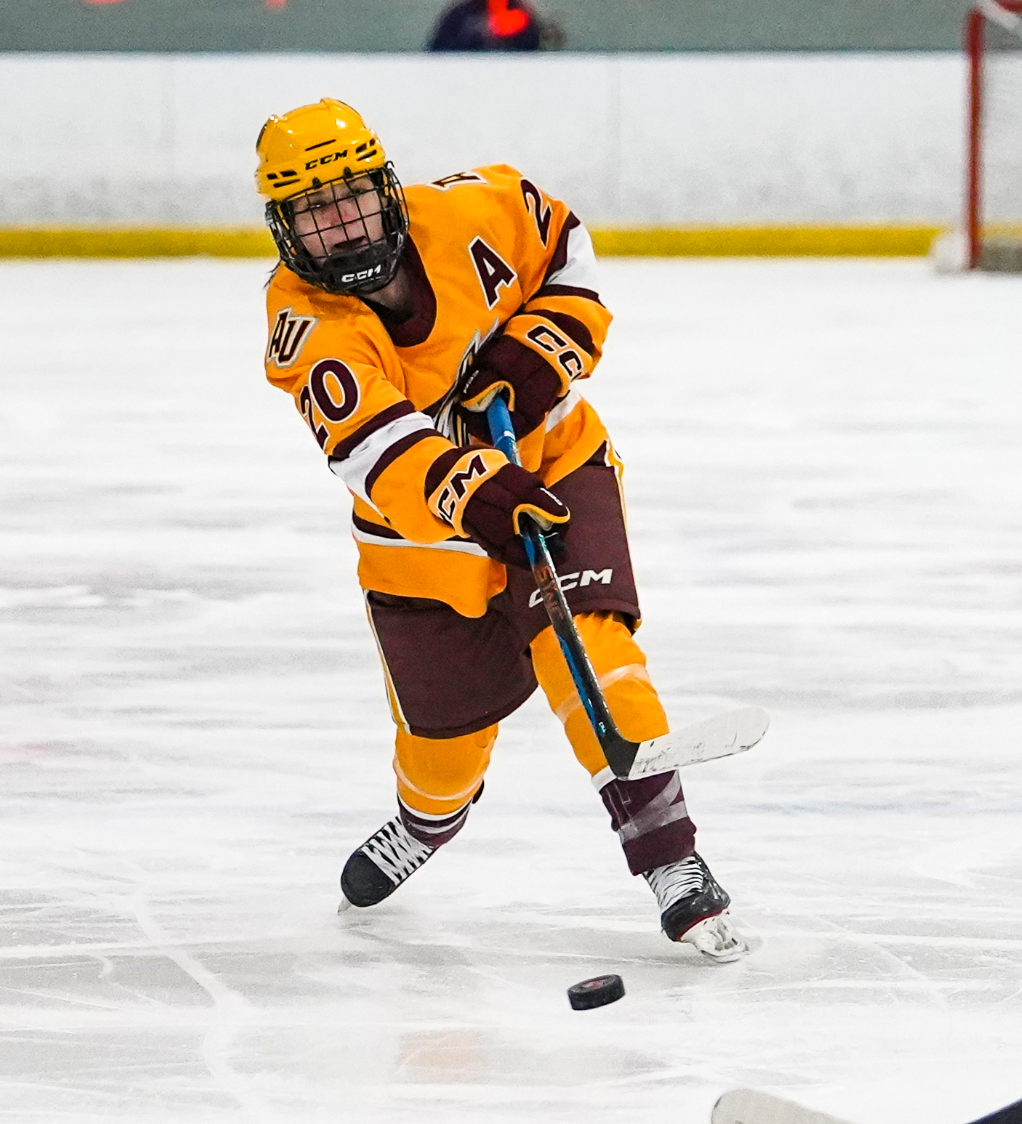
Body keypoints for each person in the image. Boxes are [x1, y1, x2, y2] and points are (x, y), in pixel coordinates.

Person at [254, 98, 747, 962]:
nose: (340, 224)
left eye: (351, 197)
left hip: (557, 467)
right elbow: (377, 449)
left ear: (386, 187)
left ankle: (674, 860)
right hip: (424, 548)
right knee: (442, 744)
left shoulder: (479, 206)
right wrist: (478, 492)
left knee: (591, 650)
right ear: (285, 231)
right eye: (313, 213)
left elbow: (567, 252)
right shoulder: (309, 327)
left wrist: (538, 352)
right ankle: (427, 819)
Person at [427, 0, 555, 52]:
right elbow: (439, 51)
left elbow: (534, 50)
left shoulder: (524, 15)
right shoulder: (460, 14)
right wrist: (482, 32)